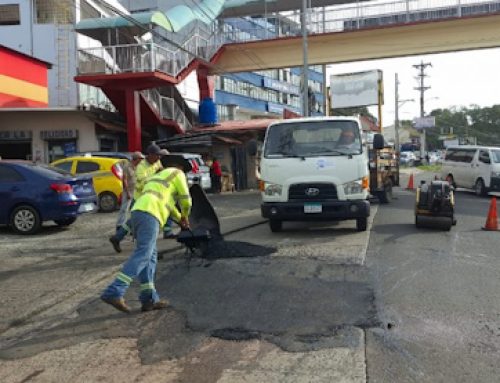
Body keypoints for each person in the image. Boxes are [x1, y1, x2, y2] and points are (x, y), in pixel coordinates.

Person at [101, 158, 192, 313]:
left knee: (150, 258)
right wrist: (186, 216)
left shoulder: (158, 177)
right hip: (151, 214)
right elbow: (186, 200)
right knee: (144, 253)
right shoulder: (178, 173)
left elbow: (168, 205)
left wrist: (179, 220)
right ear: (180, 167)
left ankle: (148, 299)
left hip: (138, 212)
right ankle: (115, 291)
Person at [109, 144, 167, 253]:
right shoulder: (141, 167)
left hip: (151, 198)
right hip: (141, 199)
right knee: (148, 222)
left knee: (135, 221)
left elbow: (162, 171)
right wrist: (156, 176)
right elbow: (141, 182)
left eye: (159, 156)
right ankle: (149, 250)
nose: (159, 158)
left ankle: (118, 237)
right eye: (156, 156)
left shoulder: (157, 162)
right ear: (150, 155)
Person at [115, 151, 144, 233]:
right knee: (124, 209)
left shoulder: (138, 167)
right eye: (140, 159)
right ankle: (119, 225)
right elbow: (124, 180)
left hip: (136, 191)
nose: (141, 160)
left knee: (135, 210)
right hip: (129, 191)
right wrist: (127, 192)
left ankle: (132, 227)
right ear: (136, 159)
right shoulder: (127, 167)